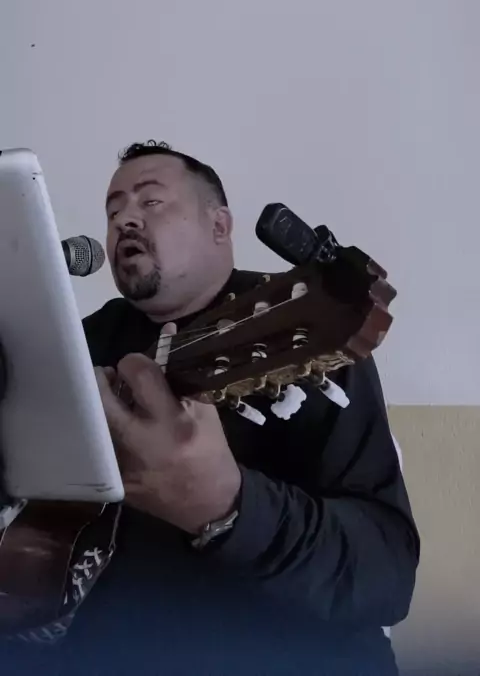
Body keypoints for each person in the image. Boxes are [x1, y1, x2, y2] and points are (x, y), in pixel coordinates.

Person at [1, 140, 419, 675]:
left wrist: (228, 505)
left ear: (219, 226)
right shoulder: (84, 339)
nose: (125, 219)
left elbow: (386, 575)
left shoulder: (300, 332)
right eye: (113, 211)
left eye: (151, 201)